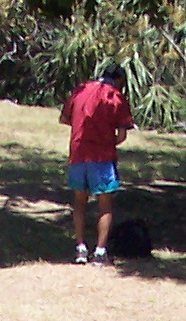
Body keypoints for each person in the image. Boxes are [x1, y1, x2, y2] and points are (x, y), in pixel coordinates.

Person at [61, 63, 134, 264]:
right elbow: (122, 133)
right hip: (102, 157)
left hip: (78, 153)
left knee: (79, 202)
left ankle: (80, 248)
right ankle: (100, 251)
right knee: (105, 205)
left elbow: (65, 118)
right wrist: (109, 140)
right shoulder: (115, 97)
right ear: (118, 80)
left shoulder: (81, 90)